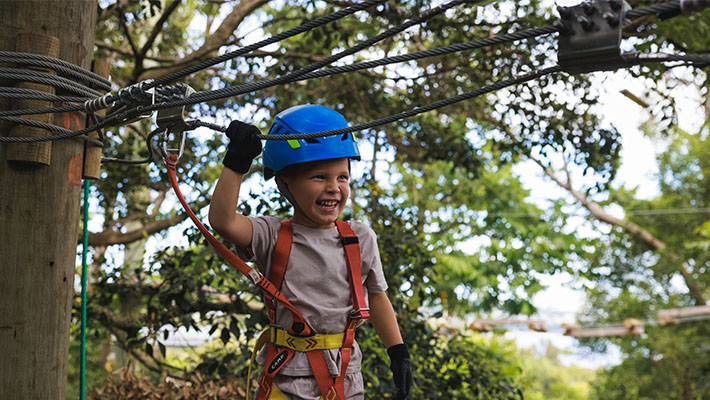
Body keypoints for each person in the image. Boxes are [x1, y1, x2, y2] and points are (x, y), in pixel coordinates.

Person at [209, 104, 413, 400]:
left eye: (342, 177)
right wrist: (236, 163)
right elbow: (223, 222)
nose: (334, 188)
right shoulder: (273, 235)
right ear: (285, 182)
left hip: (345, 378)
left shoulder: (359, 238)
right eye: (319, 177)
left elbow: (377, 296)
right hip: (288, 381)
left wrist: (398, 352)